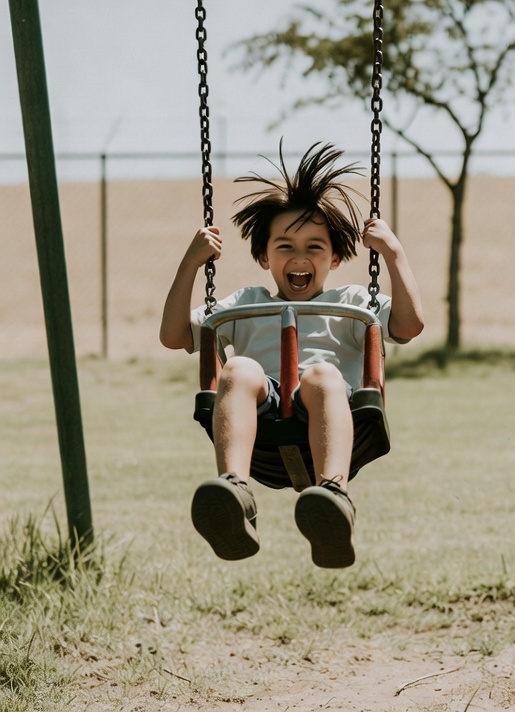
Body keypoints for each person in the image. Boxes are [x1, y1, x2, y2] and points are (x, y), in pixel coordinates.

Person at [160, 142, 424, 568]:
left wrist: (393, 253)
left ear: (335, 257)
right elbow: (174, 337)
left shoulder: (353, 301)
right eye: (285, 246)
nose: (299, 258)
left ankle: (333, 499)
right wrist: (191, 263)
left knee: (321, 375)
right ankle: (234, 492)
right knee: (240, 368)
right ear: (265, 256)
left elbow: (410, 325)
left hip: (329, 413)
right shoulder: (245, 302)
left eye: (314, 247)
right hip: (262, 422)